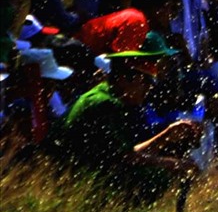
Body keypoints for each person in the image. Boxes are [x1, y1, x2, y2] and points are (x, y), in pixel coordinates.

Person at [58, 46, 201, 202]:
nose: (149, 88)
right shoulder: (105, 104)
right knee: (154, 177)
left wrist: (167, 135)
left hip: (89, 174)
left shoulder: (109, 96)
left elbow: (127, 153)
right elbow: (125, 159)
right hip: (78, 182)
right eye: (146, 81)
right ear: (123, 79)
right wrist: (171, 164)